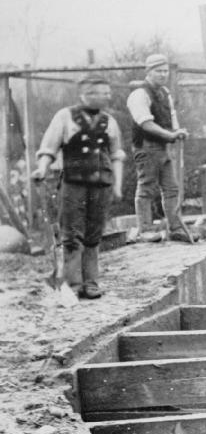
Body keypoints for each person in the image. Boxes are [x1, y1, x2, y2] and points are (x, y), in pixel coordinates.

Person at [32, 76, 125, 298]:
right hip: (73, 184)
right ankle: (73, 284)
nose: (108, 96)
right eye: (103, 92)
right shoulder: (65, 117)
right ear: (87, 94)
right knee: (72, 235)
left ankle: (91, 282)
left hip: (101, 184)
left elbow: (116, 155)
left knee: (94, 234)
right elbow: (49, 147)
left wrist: (118, 186)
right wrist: (42, 169)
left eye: (108, 92)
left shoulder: (109, 121)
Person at [127, 53, 191, 242]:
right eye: (158, 71)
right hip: (146, 147)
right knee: (146, 188)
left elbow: (171, 118)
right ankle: (145, 229)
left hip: (163, 148)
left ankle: (175, 228)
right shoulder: (139, 94)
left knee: (171, 188)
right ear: (148, 72)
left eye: (165, 71)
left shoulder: (164, 94)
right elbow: (146, 123)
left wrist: (178, 131)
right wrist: (170, 135)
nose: (163, 74)